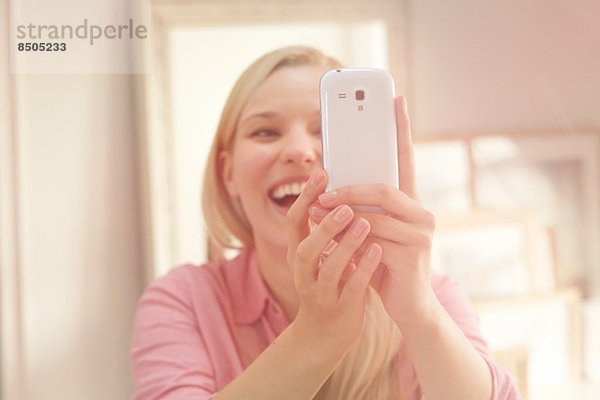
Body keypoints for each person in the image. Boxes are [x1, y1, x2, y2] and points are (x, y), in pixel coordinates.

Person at [130, 46, 520, 400]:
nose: (299, 152)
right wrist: (315, 337)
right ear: (227, 172)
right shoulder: (184, 301)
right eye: (265, 131)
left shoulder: (431, 295)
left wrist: (421, 315)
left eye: (325, 132)